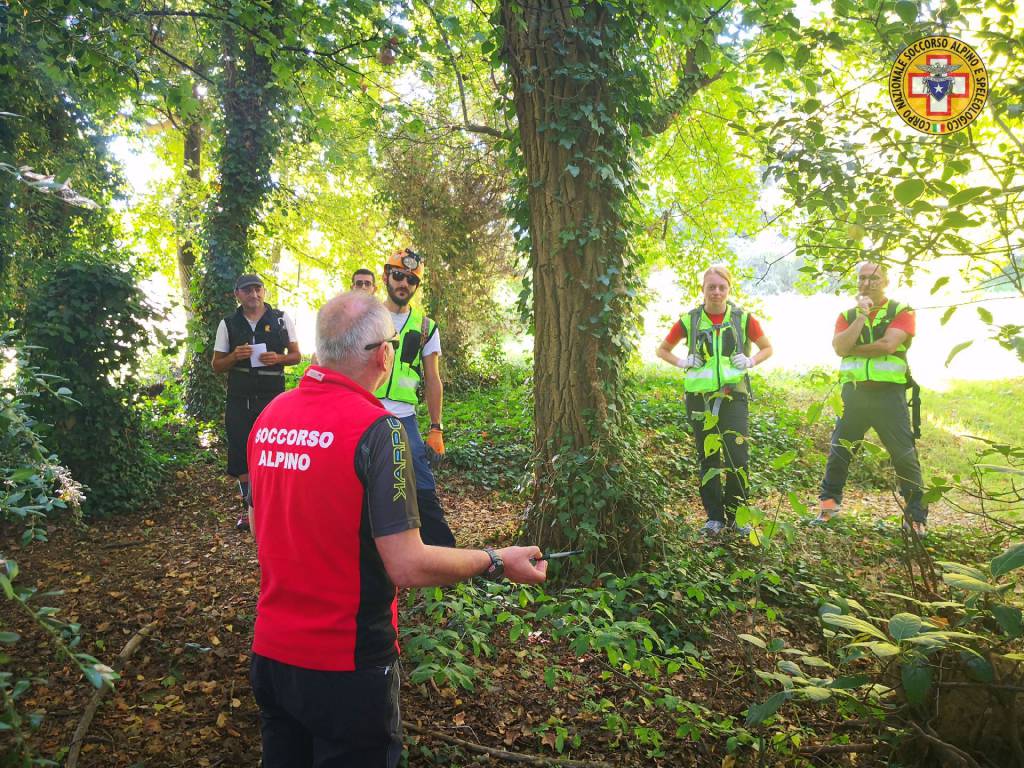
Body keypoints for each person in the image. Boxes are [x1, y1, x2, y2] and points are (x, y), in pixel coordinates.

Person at [246, 291, 547, 768]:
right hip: (346, 665)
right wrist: (495, 560)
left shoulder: (270, 417)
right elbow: (406, 564)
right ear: (384, 354)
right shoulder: (379, 430)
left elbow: (264, 529)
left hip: (271, 656)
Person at [656, 264, 773, 536]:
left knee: (738, 458)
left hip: (734, 397)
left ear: (728, 289)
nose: (717, 292)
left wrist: (751, 360)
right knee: (708, 458)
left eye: (722, 287)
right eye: (712, 287)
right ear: (703, 290)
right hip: (700, 400)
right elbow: (662, 350)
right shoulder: (691, 320)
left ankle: (737, 517)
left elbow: (768, 347)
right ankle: (714, 519)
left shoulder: (743, 319)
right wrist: (682, 361)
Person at [814, 261, 928, 535]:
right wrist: (862, 318)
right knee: (839, 451)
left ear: (886, 281)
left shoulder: (901, 311)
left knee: (903, 454)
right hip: (853, 394)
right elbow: (841, 348)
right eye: (862, 278)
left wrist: (855, 349)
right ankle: (828, 507)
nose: (866, 283)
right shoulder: (848, 314)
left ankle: (916, 517)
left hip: (889, 394)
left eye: (873, 278)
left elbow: (889, 345)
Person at [375, 247, 455, 546]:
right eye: (398, 275)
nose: (403, 284)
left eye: (411, 280)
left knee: (421, 484)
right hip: (364, 412)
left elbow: (433, 379)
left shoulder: (425, 326)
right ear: (386, 276)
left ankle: (443, 554)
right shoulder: (365, 316)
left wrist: (436, 428)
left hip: (404, 418)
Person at [211, 274, 300, 531]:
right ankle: (249, 507)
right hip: (239, 399)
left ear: (264, 291)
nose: (254, 295)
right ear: (237, 294)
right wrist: (234, 356)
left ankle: (275, 507)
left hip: (273, 398)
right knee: (241, 452)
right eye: (247, 290)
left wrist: (277, 359)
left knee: (274, 449)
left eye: (257, 289)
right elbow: (216, 365)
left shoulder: (281, 319)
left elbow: (296, 355)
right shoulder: (228, 324)